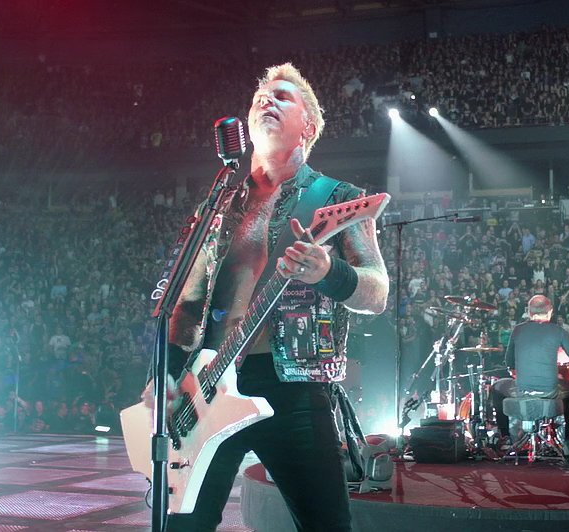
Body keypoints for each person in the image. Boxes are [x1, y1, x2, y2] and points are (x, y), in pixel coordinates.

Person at [148, 62, 389, 532]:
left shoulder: (337, 198)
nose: (266, 100)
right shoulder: (219, 204)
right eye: (261, 96)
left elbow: (376, 292)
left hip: (293, 390)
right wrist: (168, 383)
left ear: (308, 127)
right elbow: (187, 304)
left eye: (282, 97)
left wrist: (329, 272)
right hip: (207, 391)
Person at [491, 295, 569, 456]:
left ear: (529, 312)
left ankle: (505, 437)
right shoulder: (558, 331)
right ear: (550, 311)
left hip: (522, 391)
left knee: (496, 387)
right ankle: (568, 440)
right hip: (550, 392)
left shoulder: (518, 330)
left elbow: (509, 362)